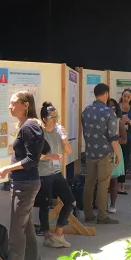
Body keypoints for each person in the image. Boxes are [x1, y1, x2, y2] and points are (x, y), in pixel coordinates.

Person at [0, 91, 46, 260]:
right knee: (26, 230)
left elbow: (32, 160)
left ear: (25, 105)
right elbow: (43, 151)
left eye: (13, 103)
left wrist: (8, 168)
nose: (10, 107)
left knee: (16, 232)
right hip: (22, 183)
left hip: (25, 185)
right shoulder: (29, 125)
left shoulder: (30, 126)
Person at [80, 82, 121, 225]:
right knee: (103, 184)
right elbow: (113, 137)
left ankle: (88, 213)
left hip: (90, 152)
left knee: (89, 183)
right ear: (106, 94)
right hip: (105, 153)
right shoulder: (109, 112)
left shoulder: (86, 111)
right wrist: (118, 154)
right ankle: (102, 215)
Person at [37, 102, 75, 249]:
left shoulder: (59, 131)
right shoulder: (40, 133)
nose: (55, 119)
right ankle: (47, 237)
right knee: (45, 206)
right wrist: (49, 157)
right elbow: (34, 156)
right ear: (44, 119)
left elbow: (69, 152)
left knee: (71, 201)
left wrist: (64, 140)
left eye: (56, 116)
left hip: (57, 172)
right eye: (52, 116)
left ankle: (58, 234)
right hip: (44, 173)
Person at [115, 89, 131, 196]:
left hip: (127, 137)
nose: (126, 98)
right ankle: (113, 184)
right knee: (115, 160)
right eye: (124, 96)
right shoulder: (116, 107)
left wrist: (128, 121)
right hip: (116, 137)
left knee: (125, 160)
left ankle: (121, 185)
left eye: (128, 97)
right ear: (122, 96)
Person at [107, 97, 124, 213]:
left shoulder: (119, 121)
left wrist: (114, 141)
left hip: (116, 151)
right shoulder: (101, 120)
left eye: (113, 106)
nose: (111, 108)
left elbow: (124, 139)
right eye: (109, 105)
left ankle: (112, 205)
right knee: (103, 181)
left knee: (114, 181)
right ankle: (101, 204)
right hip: (103, 151)